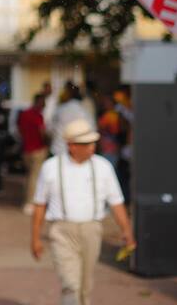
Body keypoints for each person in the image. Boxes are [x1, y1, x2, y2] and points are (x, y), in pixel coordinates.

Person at [31, 119, 135, 305]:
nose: (92, 147)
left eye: (93, 143)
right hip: (61, 231)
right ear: (72, 146)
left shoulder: (103, 167)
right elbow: (40, 203)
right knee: (70, 284)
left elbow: (116, 202)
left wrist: (126, 230)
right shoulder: (51, 167)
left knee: (85, 285)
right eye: (86, 144)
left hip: (91, 230)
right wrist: (35, 238)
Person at [18, 93, 50, 215]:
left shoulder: (24, 114)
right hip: (37, 149)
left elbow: (20, 129)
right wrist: (47, 142)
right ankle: (30, 202)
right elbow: (42, 132)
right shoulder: (37, 115)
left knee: (29, 176)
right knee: (34, 178)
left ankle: (27, 200)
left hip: (26, 149)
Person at [50, 82, 89, 157]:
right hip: (77, 150)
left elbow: (51, 129)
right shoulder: (83, 109)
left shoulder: (60, 108)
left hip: (59, 149)